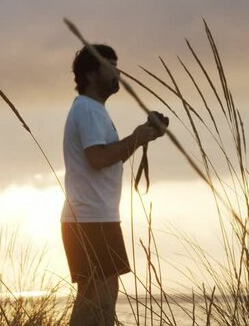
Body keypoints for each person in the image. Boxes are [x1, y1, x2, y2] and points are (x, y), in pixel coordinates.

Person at [60, 44, 166, 325]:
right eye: (111, 64)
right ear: (91, 73)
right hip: (89, 219)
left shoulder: (93, 110)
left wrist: (144, 137)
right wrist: (136, 138)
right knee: (96, 299)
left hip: (96, 217)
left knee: (103, 296)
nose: (118, 71)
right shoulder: (88, 110)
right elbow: (97, 158)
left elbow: (106, 155)